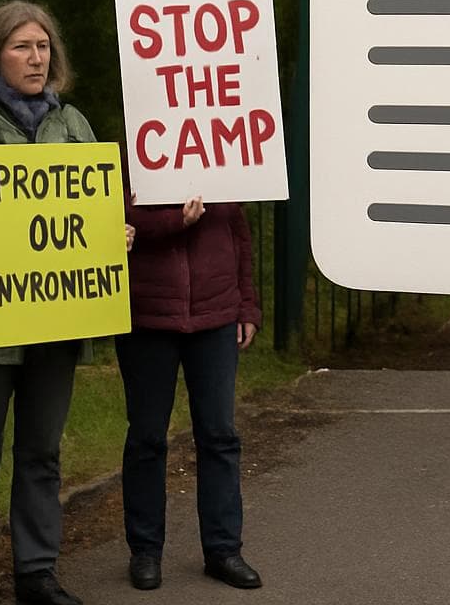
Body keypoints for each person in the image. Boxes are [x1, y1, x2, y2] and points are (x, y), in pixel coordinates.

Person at [0, 0, 132, 605]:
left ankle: (36, 573)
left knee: (41, 454)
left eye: (42, 47)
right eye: (21, 46)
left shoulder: (74, 124)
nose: (35, 57)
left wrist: (112, 234)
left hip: (57, 323)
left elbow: (95, 211)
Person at [118, 174, 263, 592]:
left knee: (219, 435)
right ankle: (145, 551)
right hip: (146, 315)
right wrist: (174, 222)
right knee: (147, 438)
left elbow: (238, 231)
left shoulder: (219, 150)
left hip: (215, 314)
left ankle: (223, 550)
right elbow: (114, 220)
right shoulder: (133, 151)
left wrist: (247, 305)